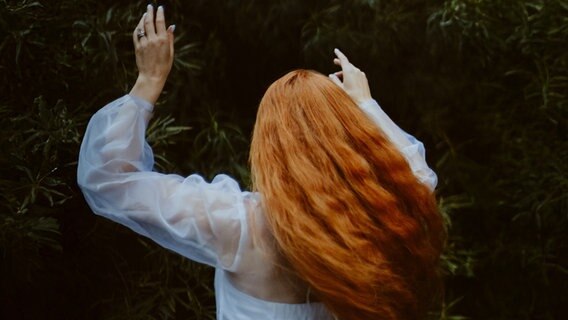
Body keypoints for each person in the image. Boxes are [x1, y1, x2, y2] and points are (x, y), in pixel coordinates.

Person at [77, 5, 445, 320]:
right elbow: (416, 176)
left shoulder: (240, 226)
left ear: (268, 145)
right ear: (345, 138)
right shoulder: (367, 221)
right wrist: (363, 105)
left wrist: (149, 80)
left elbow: (107, 178)